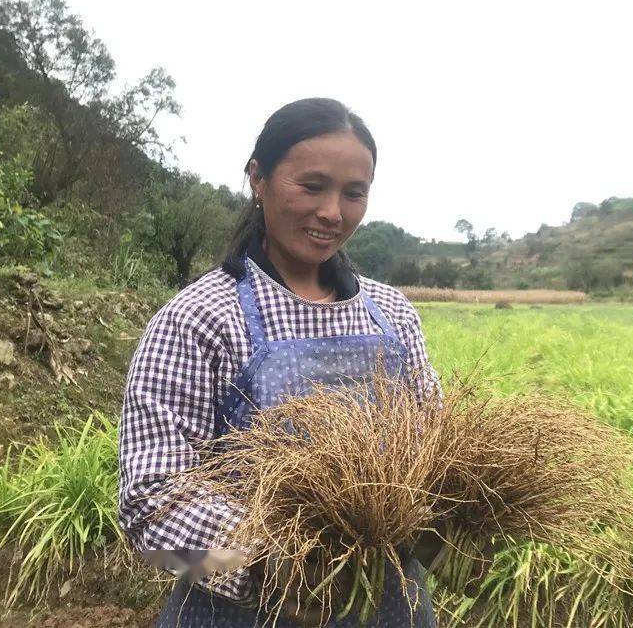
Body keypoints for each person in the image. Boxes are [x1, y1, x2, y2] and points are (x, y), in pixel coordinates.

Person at [118, 98, 444, 627]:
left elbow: (435, 455)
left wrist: (453, 528)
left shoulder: (393, 314)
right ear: (258, 178)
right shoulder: (200, 318)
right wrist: (271, 568)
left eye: (353, 193)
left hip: (389, 608)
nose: (332, 213)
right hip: (243, 611)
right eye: (311, 186)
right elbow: (149, 507)